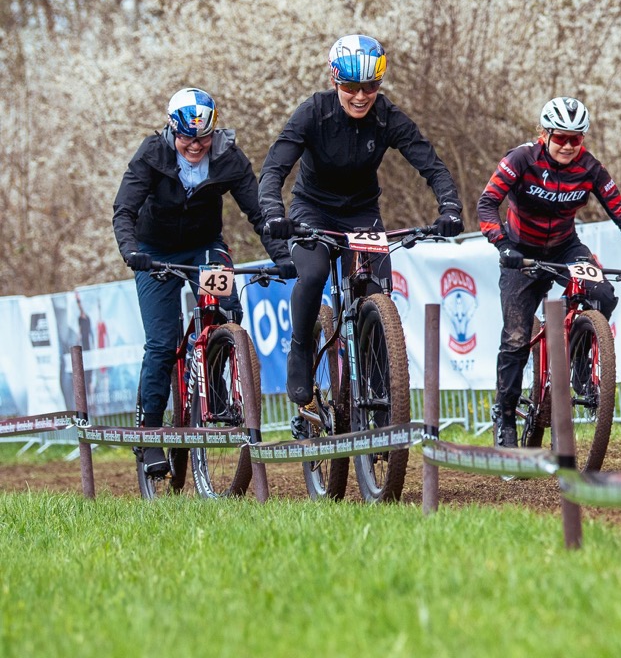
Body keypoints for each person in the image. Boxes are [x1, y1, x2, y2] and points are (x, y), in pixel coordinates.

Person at [258, 34, 464, 420]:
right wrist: (273, 212)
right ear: (335, 82)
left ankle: (381, 388)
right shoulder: (314, 112)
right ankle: (301, 347)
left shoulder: (387, 116)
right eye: (351, 86)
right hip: (312, 210)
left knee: (376, 289)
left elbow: (430, 163)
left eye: (370, 86)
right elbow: (274, 168)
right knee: (315, 272)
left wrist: (450, 207)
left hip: (361, 214)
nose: (360, 95)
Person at [113, 87, 295, 477]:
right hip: (154, 250)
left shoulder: (228, 156)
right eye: (186, 138)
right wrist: (131, 252)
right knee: (161, 344)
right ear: (171, 130)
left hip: (203, 248)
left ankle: (215, 388)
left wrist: (282, 257)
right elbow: (124, 210)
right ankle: (148, 433)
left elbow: (258, 213)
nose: (195, 146)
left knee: (226, 307)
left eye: (203, 137)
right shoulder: (151, 154)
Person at [478, 97, 621, 447]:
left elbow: (620, 212)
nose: (567, 145)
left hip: (565, 247)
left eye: (575, 139)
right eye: (560, 137)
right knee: (516, 337)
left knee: (603, 294)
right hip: (521, 251)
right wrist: (502, 244)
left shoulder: (590, 168)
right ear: (544, 134)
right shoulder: (521, 159)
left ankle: (578, 358)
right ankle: (504, 416)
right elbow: (487, 203)